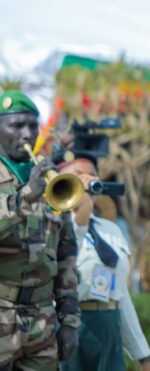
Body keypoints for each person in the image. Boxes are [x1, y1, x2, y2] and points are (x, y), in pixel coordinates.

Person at [0, 90, 80, 369]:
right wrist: (27, 195)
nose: (27, 134)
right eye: (16, 126)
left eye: (33, 126)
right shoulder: (37, 183)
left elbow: (66, 254)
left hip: (42, 321)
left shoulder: (51, 178)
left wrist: (69, 320)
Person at [57, 155, 150, 371]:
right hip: (69, 326)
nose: (87, 179)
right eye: (78, 174)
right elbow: (66, 260)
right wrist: (80, 216)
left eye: (92, 174)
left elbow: (120, 295)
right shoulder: (52, 226)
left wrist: (144, 356)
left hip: (108, 325)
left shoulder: (110, 230)